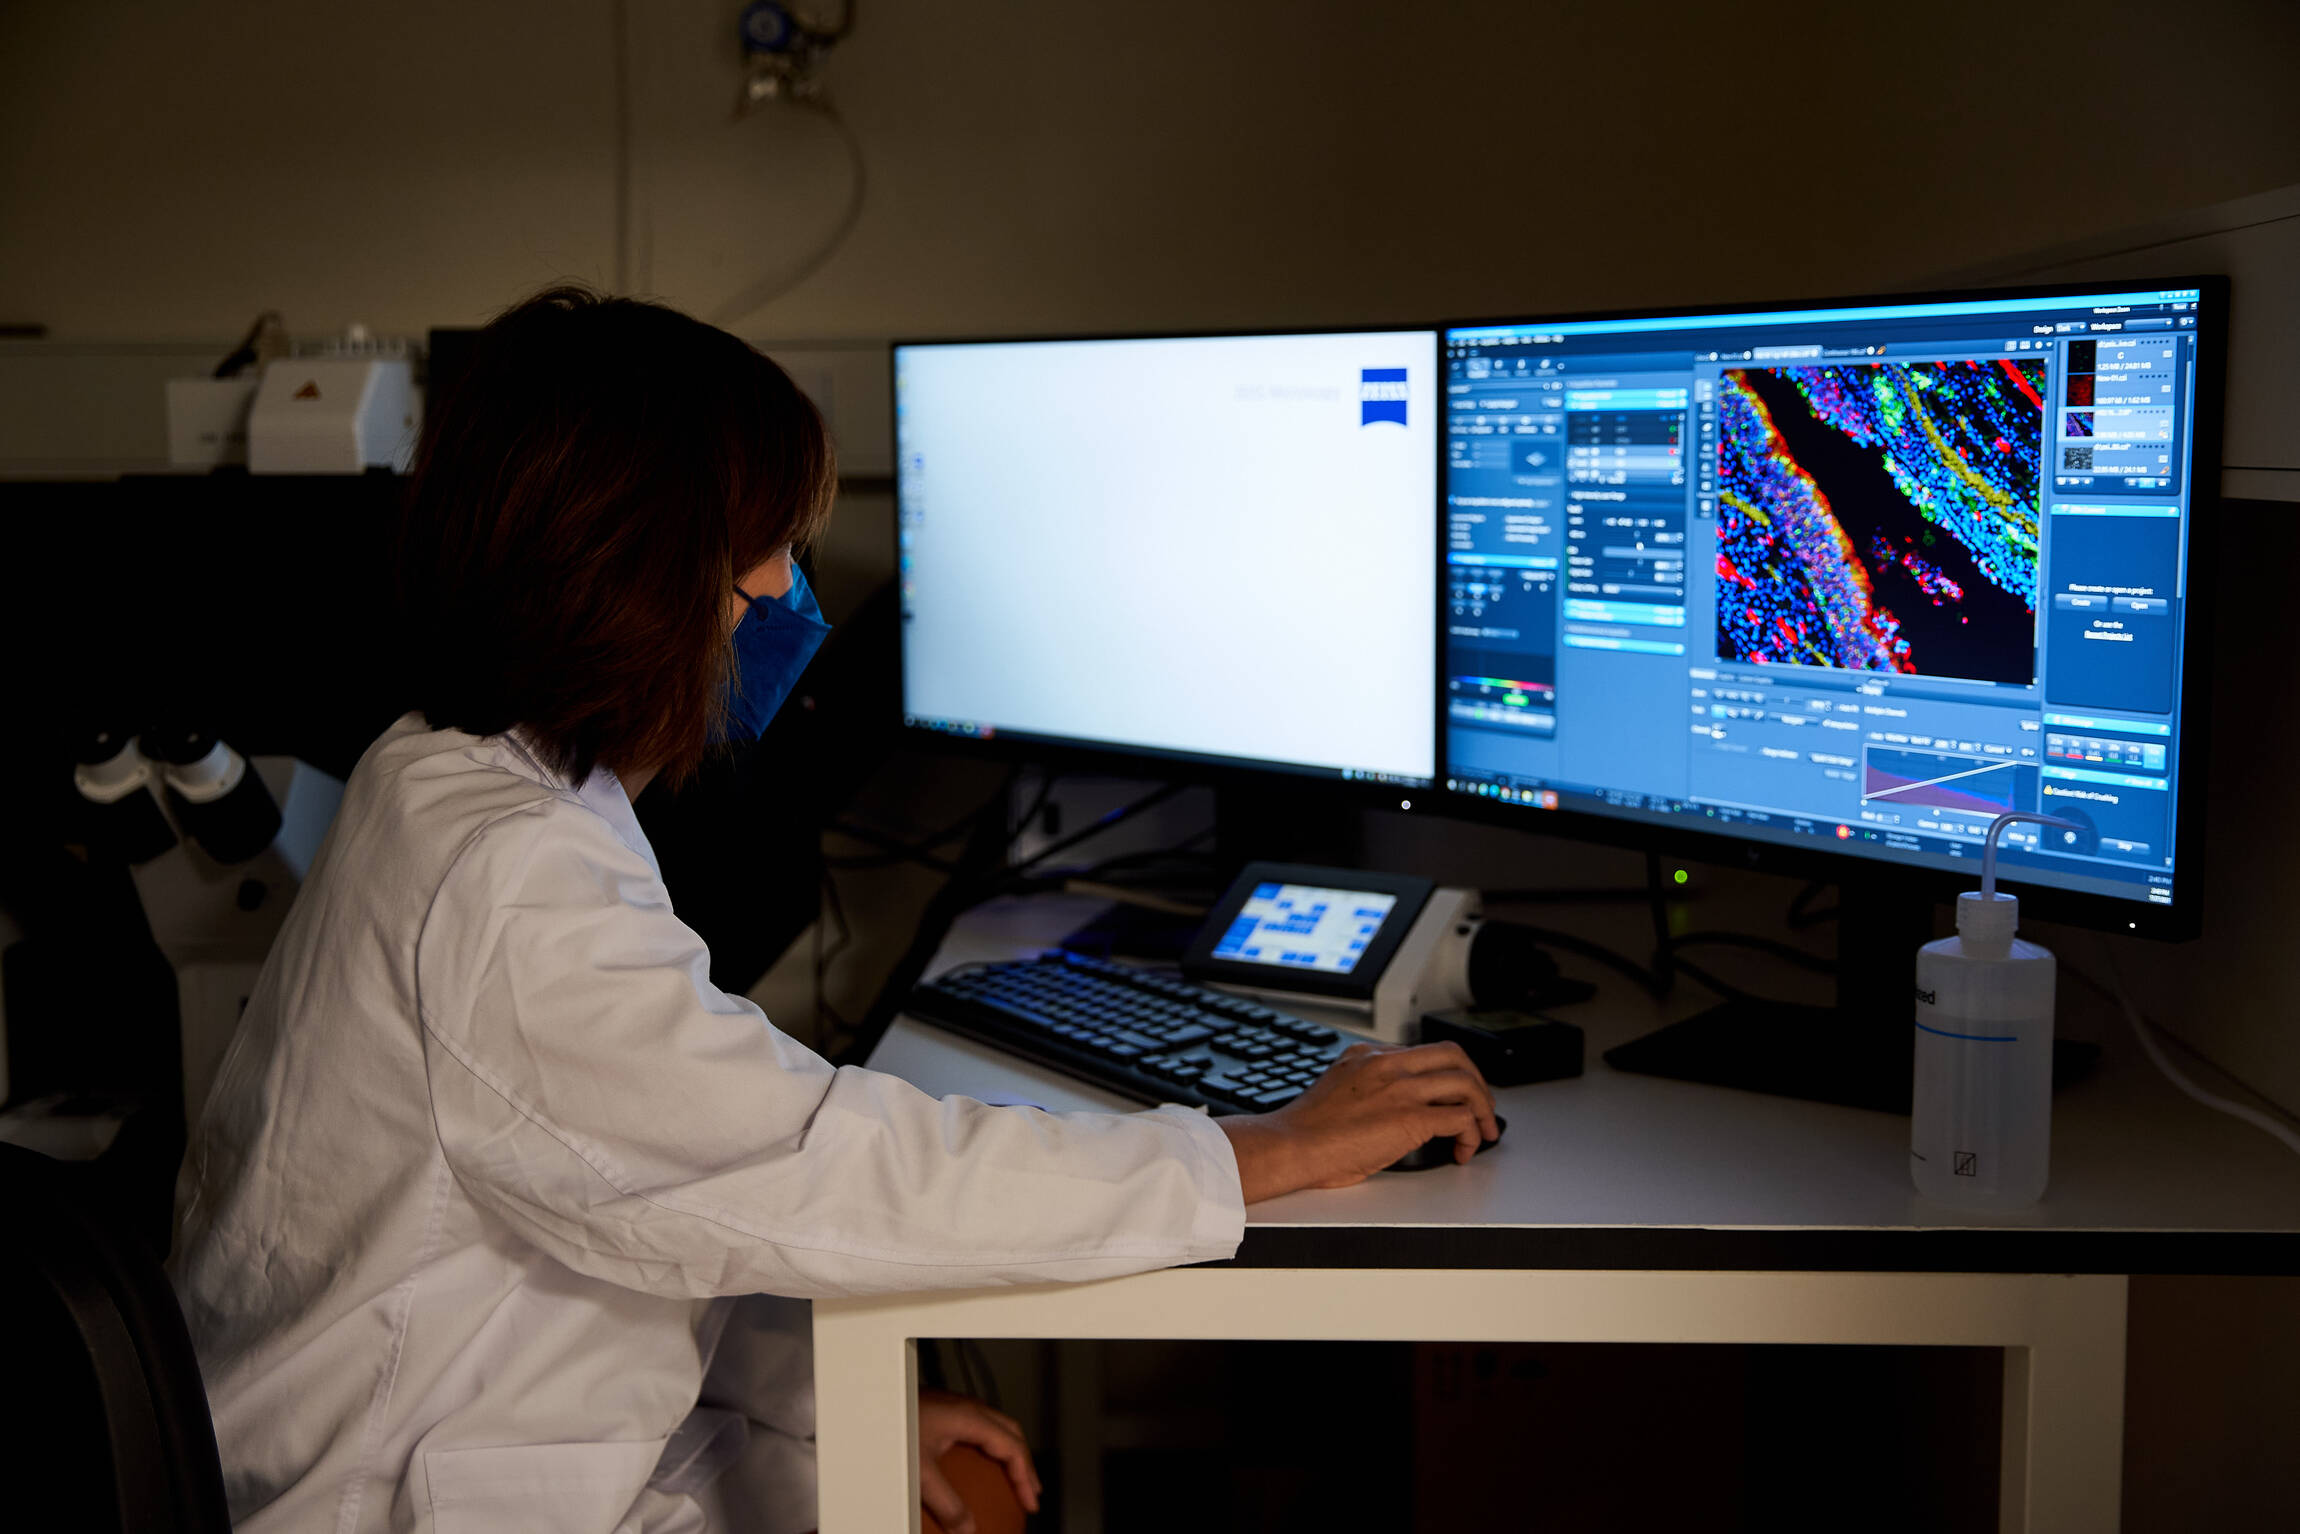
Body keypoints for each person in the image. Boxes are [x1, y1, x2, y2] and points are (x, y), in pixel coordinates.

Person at [169, 287, 1500, 1534]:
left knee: (955, 1475)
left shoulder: (455, 770)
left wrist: (820, 1397)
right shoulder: (511, 878)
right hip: (406, 1489)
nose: (787, 595)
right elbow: (806, 1162)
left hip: (500, 1419)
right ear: (643, 575)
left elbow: (649, 1174)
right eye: (768, 552)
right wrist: (1251, 1153)